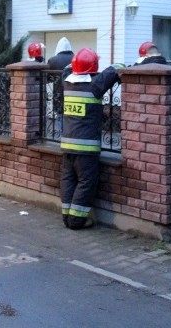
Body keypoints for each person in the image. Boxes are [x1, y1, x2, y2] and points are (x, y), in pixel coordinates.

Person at [60, 48, 121, 230]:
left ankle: (67, 217)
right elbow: (115, 69)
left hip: (67, 144)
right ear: (93, 67)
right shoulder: (95, 86)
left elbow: (66, 68)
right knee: (86, 182)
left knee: (68, 179)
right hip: (86, 148)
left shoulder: (66, 82)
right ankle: (76, 221)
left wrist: (77, 62)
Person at [46, 38, 75, 137]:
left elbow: (47, 78)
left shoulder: (53, 60)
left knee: (60, 116)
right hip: (74, 94)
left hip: (59, 94)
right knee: (73, 117)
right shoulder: (76, 59)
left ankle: (63, 138)